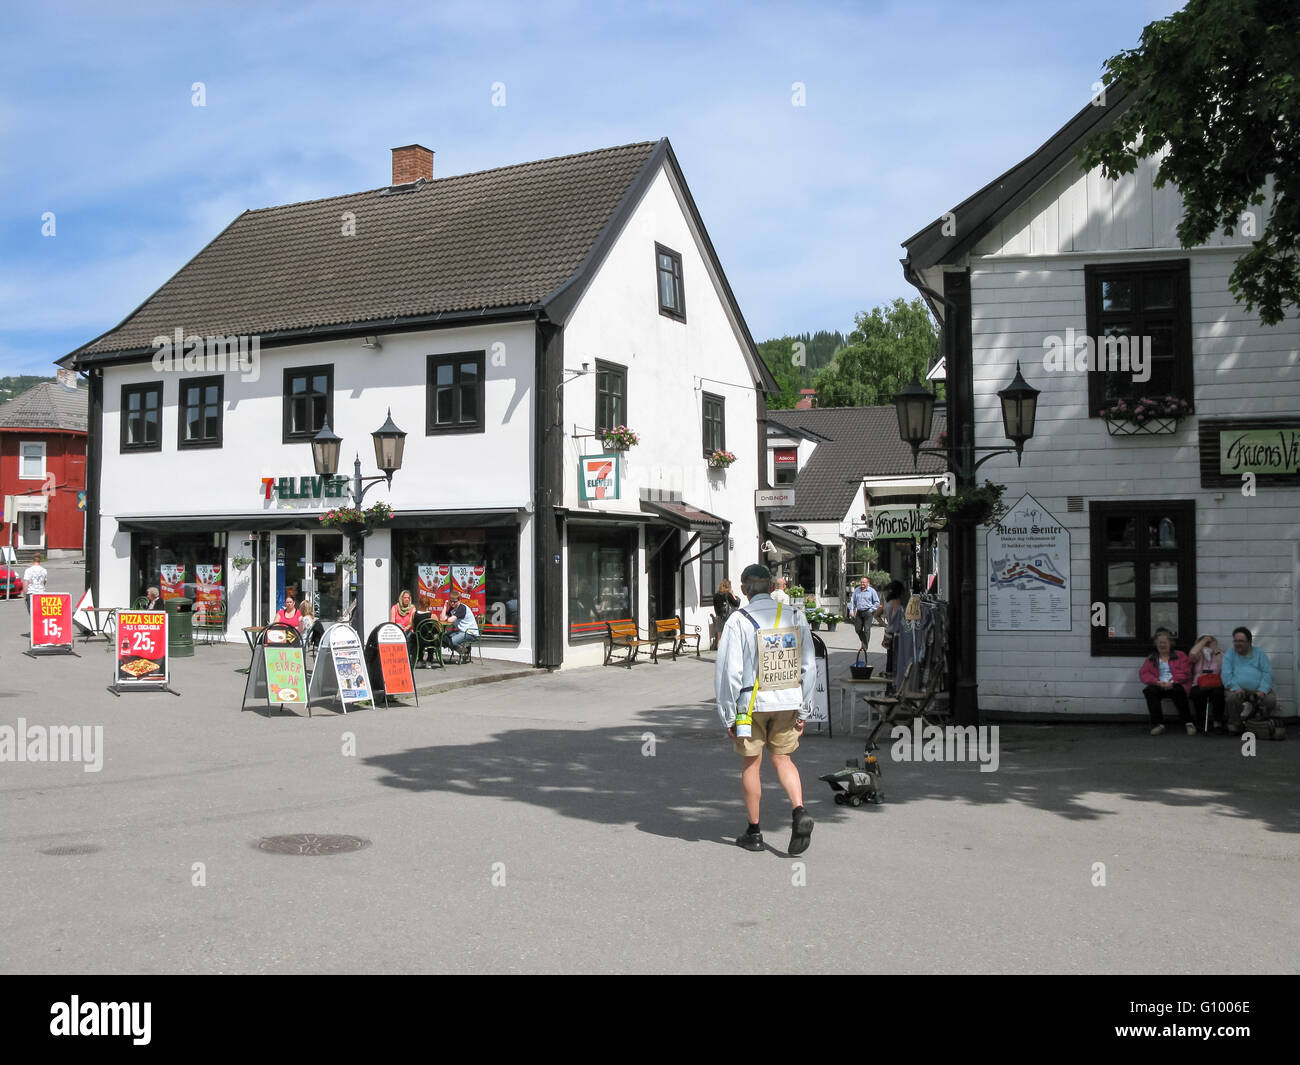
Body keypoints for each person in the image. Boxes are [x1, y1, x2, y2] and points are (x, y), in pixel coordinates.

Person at [714, 563, 815, 856]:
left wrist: (728, 715)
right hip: (788, 700)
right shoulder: (796, 615)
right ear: (772, 587)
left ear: (744, 590)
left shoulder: (738, 620)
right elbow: (808, 665)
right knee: (783, 759)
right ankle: (798, 810)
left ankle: (754, 831)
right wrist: (805, 708)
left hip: (751, 705)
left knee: (751, 764)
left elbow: (730, 672)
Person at [1138, 629, 1195, 735]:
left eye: (1165, 642)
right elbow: (1144, 674)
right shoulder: (1152, 658)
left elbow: (1186, 672)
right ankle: (1158, 724)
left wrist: (1172, 682)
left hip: (1176, 684)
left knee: (1179, 691)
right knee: (1150, 691)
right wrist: (1157, 682)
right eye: (1160, 642)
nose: (1162, 645)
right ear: (1156, 644)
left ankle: (1188, 723)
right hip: (1159, 684)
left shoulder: (1180, 655)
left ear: (1170, 643)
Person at [1222, 626, 1276, 733]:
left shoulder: (1259, 653)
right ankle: (1235, 723)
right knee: (1232, 698)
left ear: (1249, 642)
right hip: (1237, 689)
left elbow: (1267, 673)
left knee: (1270, 700)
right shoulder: (1229, 654)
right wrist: (1235, 688)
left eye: (1241, 641)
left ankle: (1256, 723)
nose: (1237, 644)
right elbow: (1226, 674)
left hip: (1257, 690)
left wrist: (1262, 690)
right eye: (1235, 641)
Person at [1188, 633, 1225, 734]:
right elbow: (1192, 655)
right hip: (1199, 683)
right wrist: (1203, 641)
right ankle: (1201, 722)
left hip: (1216, 682)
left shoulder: (1220, 654)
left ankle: (1217, 722)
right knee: (1197, 694)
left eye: (1210, 641)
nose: (1208, 643)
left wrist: (1215, 649)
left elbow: (1224, 668)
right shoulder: (1198, 654)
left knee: (1218, 694)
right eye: (1205, 642)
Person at [875, 580, 905, 680]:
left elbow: (876, 615)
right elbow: (896, 619)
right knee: (895, 660)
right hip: (896, 635)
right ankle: (893, 683)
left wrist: (886, 625)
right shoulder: (896, 602)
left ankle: (888, 683)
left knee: (890, 660)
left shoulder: (887, 602)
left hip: (889, 633)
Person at [439, 587, 480, 658]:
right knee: (443, 639)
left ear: (459, 600)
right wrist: (445, 606)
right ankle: (464, 651)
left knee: (452, 641)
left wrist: (447, 618)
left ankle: (464, 651)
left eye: (455, 602)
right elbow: (442, 618)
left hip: (470, 633)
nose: (452, 603)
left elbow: (450, 620)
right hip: (462, 632)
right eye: (451, 601)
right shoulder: (453, 608)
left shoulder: (462, 608)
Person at [847, 576, 880, 652]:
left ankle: (864, 646)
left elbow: (877, 602)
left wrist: (871, 610)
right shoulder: (857, 590)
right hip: (859, 612)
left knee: (866, 629)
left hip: (868, 612)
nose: (862, 584)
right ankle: (864, 642)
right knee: (858, 629)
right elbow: (852, 601)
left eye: (864, 582)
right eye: (861, 582)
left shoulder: (872, 591)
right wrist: (851, 610)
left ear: (868, 583)